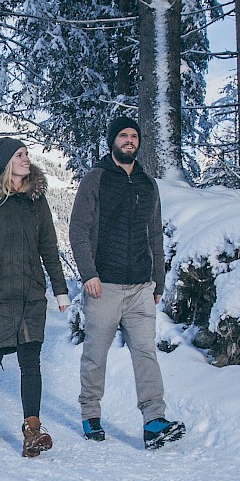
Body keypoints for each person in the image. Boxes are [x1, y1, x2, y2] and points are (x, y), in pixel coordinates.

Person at [67, 116, 186, 450]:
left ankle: (154, 421)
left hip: (140, 288)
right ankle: (90, 413)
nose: (130, 140)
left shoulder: (148, 184)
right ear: (112, 141)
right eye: (123, 135)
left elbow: (155, 235)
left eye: (134, 135)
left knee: (146, 353)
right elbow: (78, 229)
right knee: (95, 353)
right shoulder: (97, 179)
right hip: (103, 286)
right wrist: (88, 274)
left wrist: (158, 282)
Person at [0, 136, 70, 457]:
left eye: (27, 154)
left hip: (29, 293)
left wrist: (60, 289)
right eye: (20, 155)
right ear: (6, 162)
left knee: (31, 363)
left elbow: (49, 249)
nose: (27, 159)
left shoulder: (36, 200)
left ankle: (33, 431)